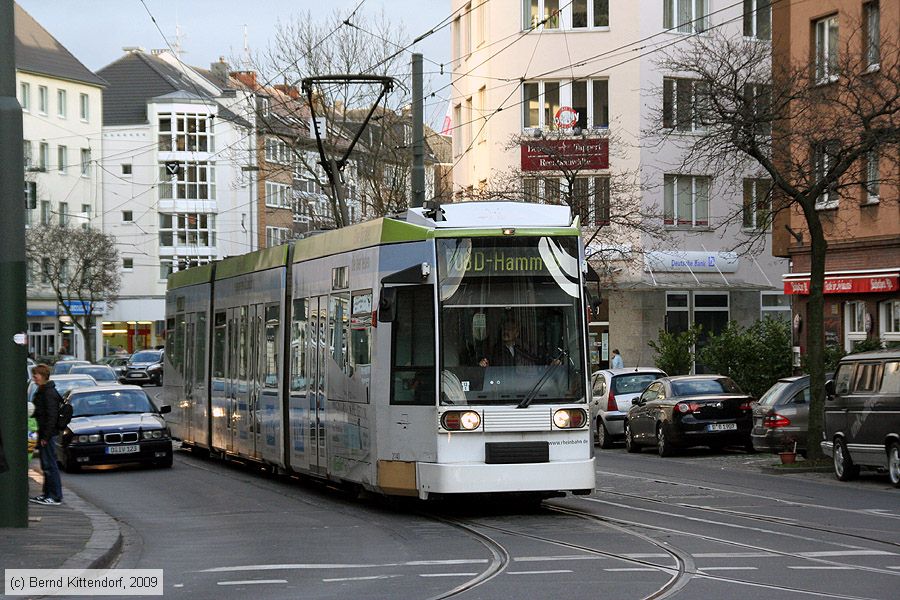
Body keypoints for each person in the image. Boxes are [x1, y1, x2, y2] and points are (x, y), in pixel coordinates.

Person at [30, 364, 63, 505]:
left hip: (47, 435)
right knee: (46, 465)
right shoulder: (44, 390)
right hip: (45, 433)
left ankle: (54, 496)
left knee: (50, 465)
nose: (34, 378)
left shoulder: (48, 393)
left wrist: (46, 436)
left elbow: (51, 417)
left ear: (42, 376)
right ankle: (47, 494)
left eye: (35, 375)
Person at [480, 320, 559, 367]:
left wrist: (551, 363)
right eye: (504, 328)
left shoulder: (523, 348)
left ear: (517, 333)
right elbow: (486, 363)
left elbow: (536, 359)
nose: (506, 331)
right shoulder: (494, 350)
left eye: (510, 328)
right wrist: (483, 364)